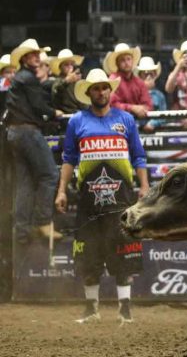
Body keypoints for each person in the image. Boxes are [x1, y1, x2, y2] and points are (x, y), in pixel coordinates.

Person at [54, 68, 148, 325]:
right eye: (96, 88)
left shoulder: (125, 119)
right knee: (88, 254)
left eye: (105, 87)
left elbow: (138, 155)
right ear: (89, 92)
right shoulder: (77, 121)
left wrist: (144, 186)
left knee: (123, 249)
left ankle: (125, 309)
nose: (101, 92)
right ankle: (91, 308)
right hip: (88, 199)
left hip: (122, 197)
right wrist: (61, 190)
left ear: (110, 90)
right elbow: (68, 158)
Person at [5, 39, 64, 243]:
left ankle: (21, 230)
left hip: (15, 132)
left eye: (37, 54)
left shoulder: (19, 78)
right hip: (27, 131)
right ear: (24, 58)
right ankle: (43, 222)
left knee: (25, 182)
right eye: (33, 55)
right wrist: (54, 113)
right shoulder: (28, 78)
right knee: (49, 174)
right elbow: (38, 105)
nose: (37, 57)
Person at [103, 43, 152, 119]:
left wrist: (141, 109)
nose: (126, 62)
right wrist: (132, 108)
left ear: (132, 61)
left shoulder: (139, 82)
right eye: (122, 60)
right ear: (117, 63)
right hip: (117, 121)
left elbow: (148, 105)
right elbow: (111, 104)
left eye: (128, 59)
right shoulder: (113, 81)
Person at [136, 56, 166, 133]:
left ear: (155, 76)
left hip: (157, 132)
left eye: (151, 74)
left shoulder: (159, 95)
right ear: (140, 76)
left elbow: (164, 116)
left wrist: (152, 123)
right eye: (145, 74)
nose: (148, 77)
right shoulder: (134, 94)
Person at [50, 48, 85, 114]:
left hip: (79, 114)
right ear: (60, 67)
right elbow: (57, 90)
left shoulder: (76, 80)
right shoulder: (58, 81)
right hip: (65, 116)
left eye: (71, 64)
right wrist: (67, 81)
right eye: (66, 64)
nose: (70, 67)